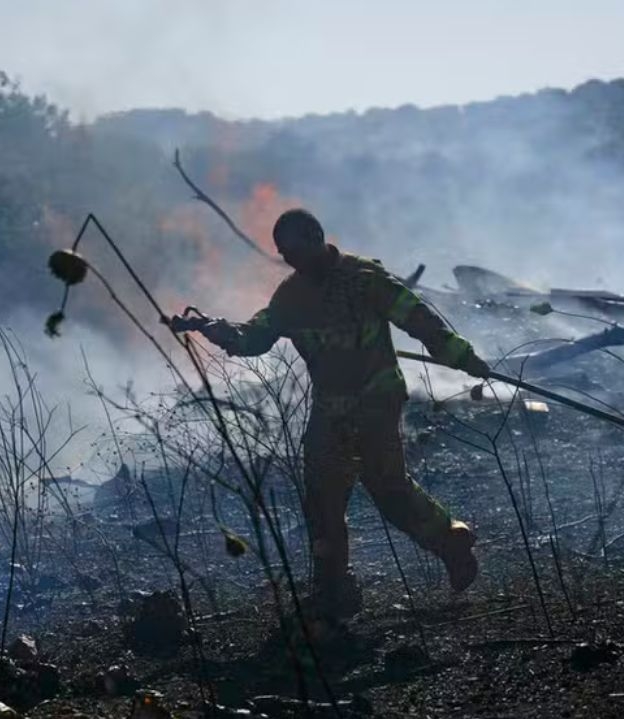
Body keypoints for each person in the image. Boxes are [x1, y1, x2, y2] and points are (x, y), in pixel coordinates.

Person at [199, 208, 491, 621]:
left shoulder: (365, 278)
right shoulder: (291, 296)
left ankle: (451, 544)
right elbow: (257, 334)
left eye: (296, 250)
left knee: (387, 490)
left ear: (317, 237)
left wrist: (462, 356)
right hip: (330, 407)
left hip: (376, 399)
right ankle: (334, 590)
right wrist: (222, 331)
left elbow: (419, 318)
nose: (291, 261)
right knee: (321, 499)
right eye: (284, 255)